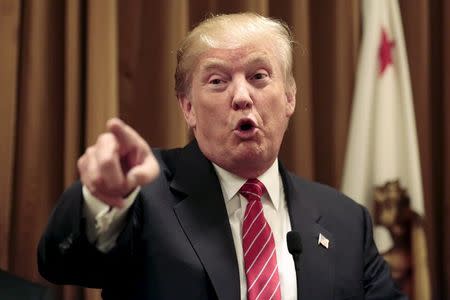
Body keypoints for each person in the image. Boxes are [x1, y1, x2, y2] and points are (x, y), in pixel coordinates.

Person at [38, 12, 406, 300]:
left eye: (259, 76)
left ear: (290, 97)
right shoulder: (145, 194)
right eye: (217, 81)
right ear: (188, 108)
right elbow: (62, 264)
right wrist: (102, 200)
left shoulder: (346, 221)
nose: (242, 96)